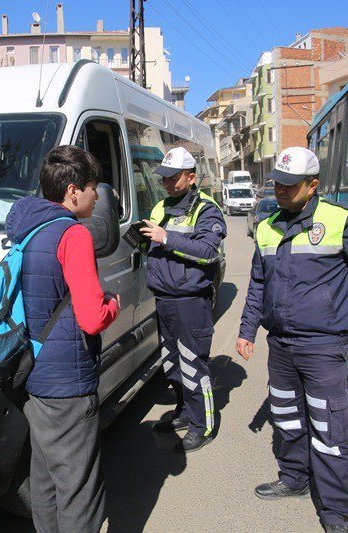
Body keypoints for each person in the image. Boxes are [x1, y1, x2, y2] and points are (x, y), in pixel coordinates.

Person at [236, 147, 348, 533]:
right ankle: (294, 479)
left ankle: (336, 510)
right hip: (282, 346)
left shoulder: (341, 222)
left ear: (313, 185)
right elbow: (258, 283)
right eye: (277, 183)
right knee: (286, 418)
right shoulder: (268, 225)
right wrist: (246, 330)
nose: (282, 190)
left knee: (328, 429)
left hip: (323, 347)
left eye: (290, 185)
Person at [5, 145, 120, 533]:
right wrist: (113, 306)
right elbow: (91, 318)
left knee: (45, 477)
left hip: (34, 373)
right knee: (79, 487)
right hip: (69, 381)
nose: (96, 195)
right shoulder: (73, 234)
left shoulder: (28, 226)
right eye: (92, 187)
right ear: (73, 191)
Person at [139, 146, 226, 453]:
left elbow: (208, 252)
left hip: (190, 301)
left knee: (193, 364)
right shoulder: (162, 206)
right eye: (163, 178)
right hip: (164, 298)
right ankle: (185, 412)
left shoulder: (207, 209)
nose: (166, 184)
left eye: (173, 178)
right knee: (172, 364)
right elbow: (155, 240)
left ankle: (203, 426)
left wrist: (166, 238)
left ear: (191, 177)